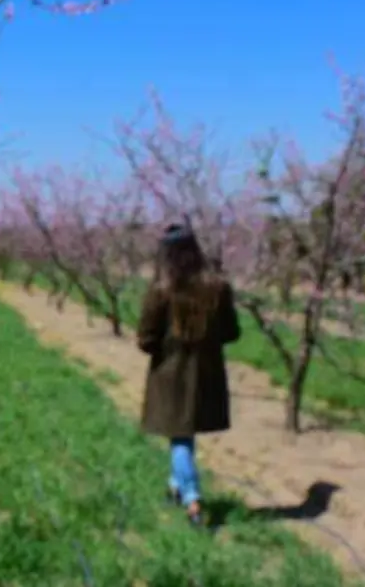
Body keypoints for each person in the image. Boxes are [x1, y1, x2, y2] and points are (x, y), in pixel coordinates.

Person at [136, 222, 241, 526]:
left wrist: (163, 348)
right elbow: (231, 332)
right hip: (206, 374)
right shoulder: (218, 287)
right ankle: (174, 486)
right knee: (184, 432)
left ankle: (192, 498)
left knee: (180, 436)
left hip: (170, 375)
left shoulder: (161, 289)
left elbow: (146, 338)